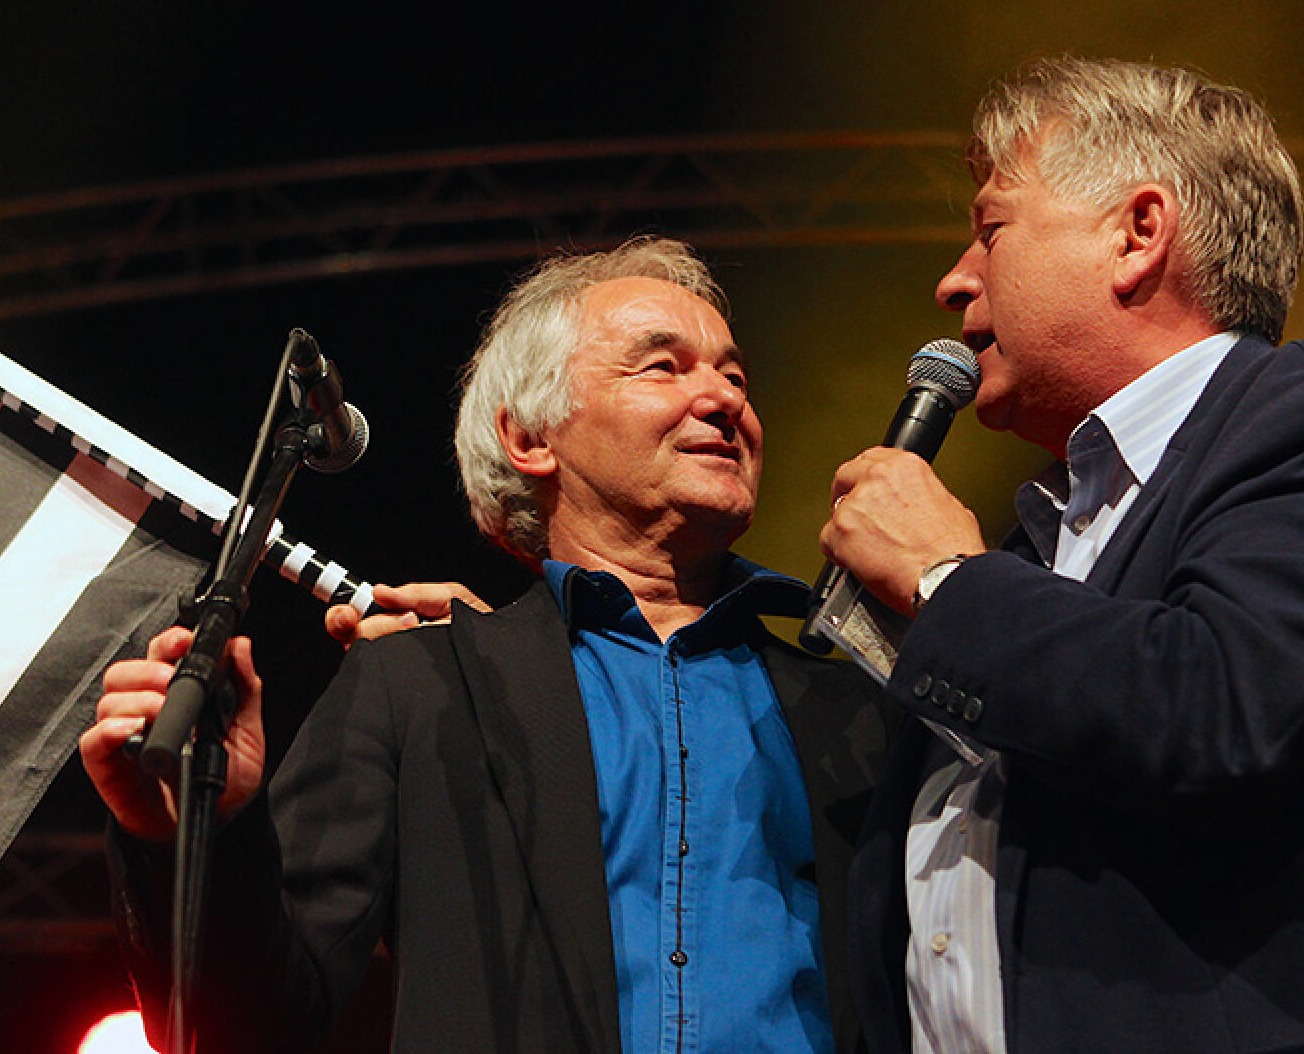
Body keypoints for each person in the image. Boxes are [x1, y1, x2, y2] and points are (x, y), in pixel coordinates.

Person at [820, 57, 1304, 1053]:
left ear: (1137, 234)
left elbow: (1228, 711)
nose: (955, 280)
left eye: (991, 231)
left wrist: (946, 581)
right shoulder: (1041, 547)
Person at [81, 237, 889, 1053]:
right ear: (530, 438)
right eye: (662, 367)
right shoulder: (423, 688)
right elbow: (252, 1027)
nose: (722, 400)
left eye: (735, 377)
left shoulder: (853, 706)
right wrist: (198, 833)